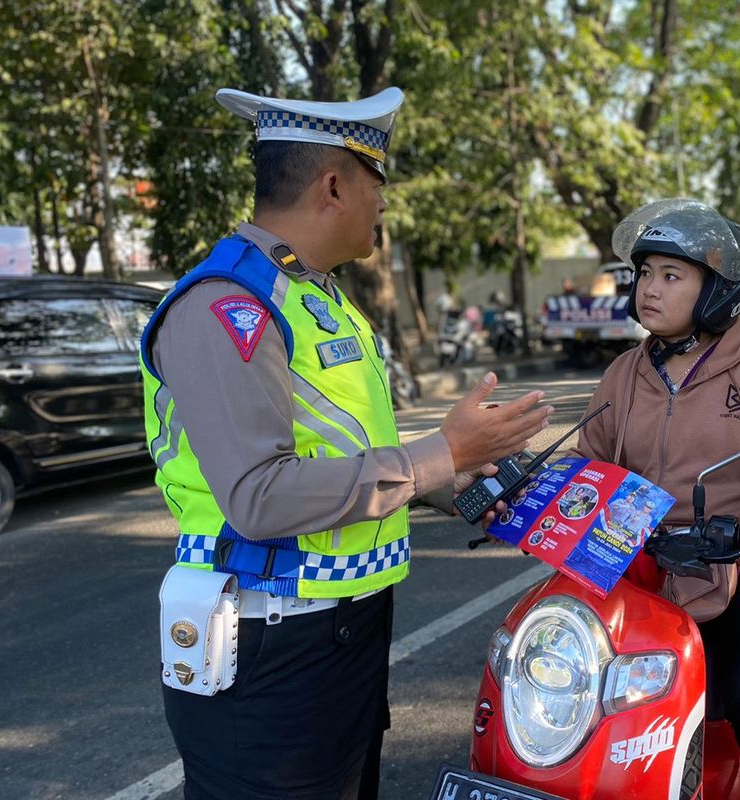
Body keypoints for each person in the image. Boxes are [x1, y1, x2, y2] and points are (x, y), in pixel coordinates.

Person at [140, 87, 553, 799]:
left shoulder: (318, 299)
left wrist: (463, 484)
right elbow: (257, 498)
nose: (383, 203)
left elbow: (350, 462)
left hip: (343, 635)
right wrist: (440, 454)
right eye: (376, 183)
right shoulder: (227, 304)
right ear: (334, 184)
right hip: (268, 650)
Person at [566, 198, 740, 800]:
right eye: (643, 275)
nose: (648, 291)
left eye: (670, 276)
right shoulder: (624, 374)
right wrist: (537, 497)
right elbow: (589, 461)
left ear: (715, 290)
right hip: (652, 563)